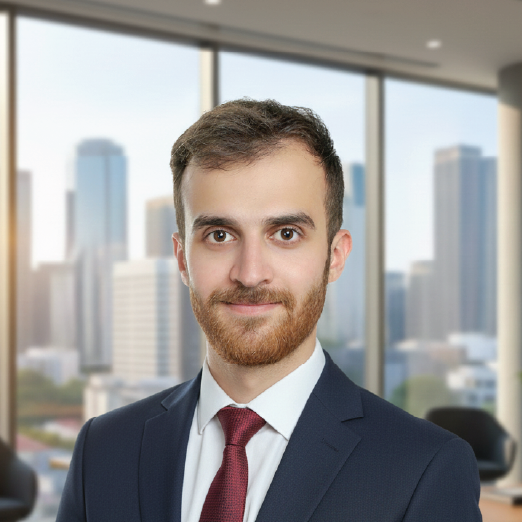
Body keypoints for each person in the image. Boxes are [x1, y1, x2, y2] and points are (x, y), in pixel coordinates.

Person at [56, 99, 482, 522]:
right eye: (220, 235)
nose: (250, 273)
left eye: (285, 233)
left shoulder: (425, 468)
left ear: (335, 256)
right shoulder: (104, 449)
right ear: (183, 258)